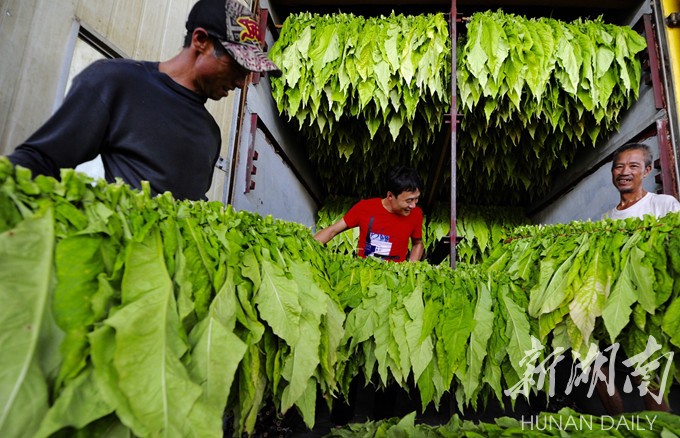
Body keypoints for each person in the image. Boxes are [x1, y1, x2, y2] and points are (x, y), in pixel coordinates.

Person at [6, 0, 279, 201]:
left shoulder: (209, 133)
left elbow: (192, 205)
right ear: (201, 41)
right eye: (237, 67)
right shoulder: (116, 83)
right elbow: (39, 160)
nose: (241, 82)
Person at [314, 166, 424, 263]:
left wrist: (410, 269)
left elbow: (417, 243)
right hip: (365, 274)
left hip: (394, 278)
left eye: (416, 199)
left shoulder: (416, 214)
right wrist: (305, 245)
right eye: (409, 200)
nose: (413, 205)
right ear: (390, 196)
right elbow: (333, 230)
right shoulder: (364, 208)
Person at [603, 142, 680, 220]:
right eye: (619, 166)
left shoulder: (664, 204)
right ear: (612, 171)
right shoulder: (606, 218)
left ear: (646, 171)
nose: (624, 172)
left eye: (633, 166)